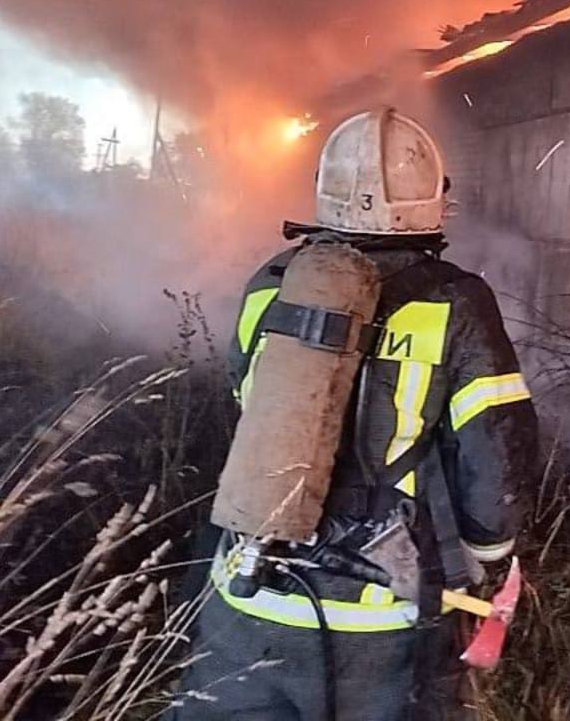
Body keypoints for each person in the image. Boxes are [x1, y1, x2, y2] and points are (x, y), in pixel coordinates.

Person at [168, 107, 538, 721]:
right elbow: (495, 448)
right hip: (379, 628)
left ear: (325, 193)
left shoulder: (271, 283)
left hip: (246, 600)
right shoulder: (456, 301)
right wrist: (491, 557)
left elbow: (247, 405)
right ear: (432, 202)